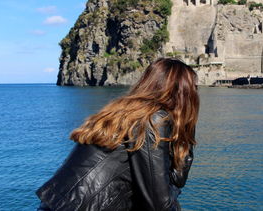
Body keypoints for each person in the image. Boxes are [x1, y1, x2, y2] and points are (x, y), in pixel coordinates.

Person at [36, 58, 200, 211]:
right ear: (183, 92)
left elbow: (175, 181)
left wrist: (185, 134)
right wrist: (187, 128)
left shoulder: (128, 112)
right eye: (194, 88)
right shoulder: (152, 120)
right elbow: (160, 204)